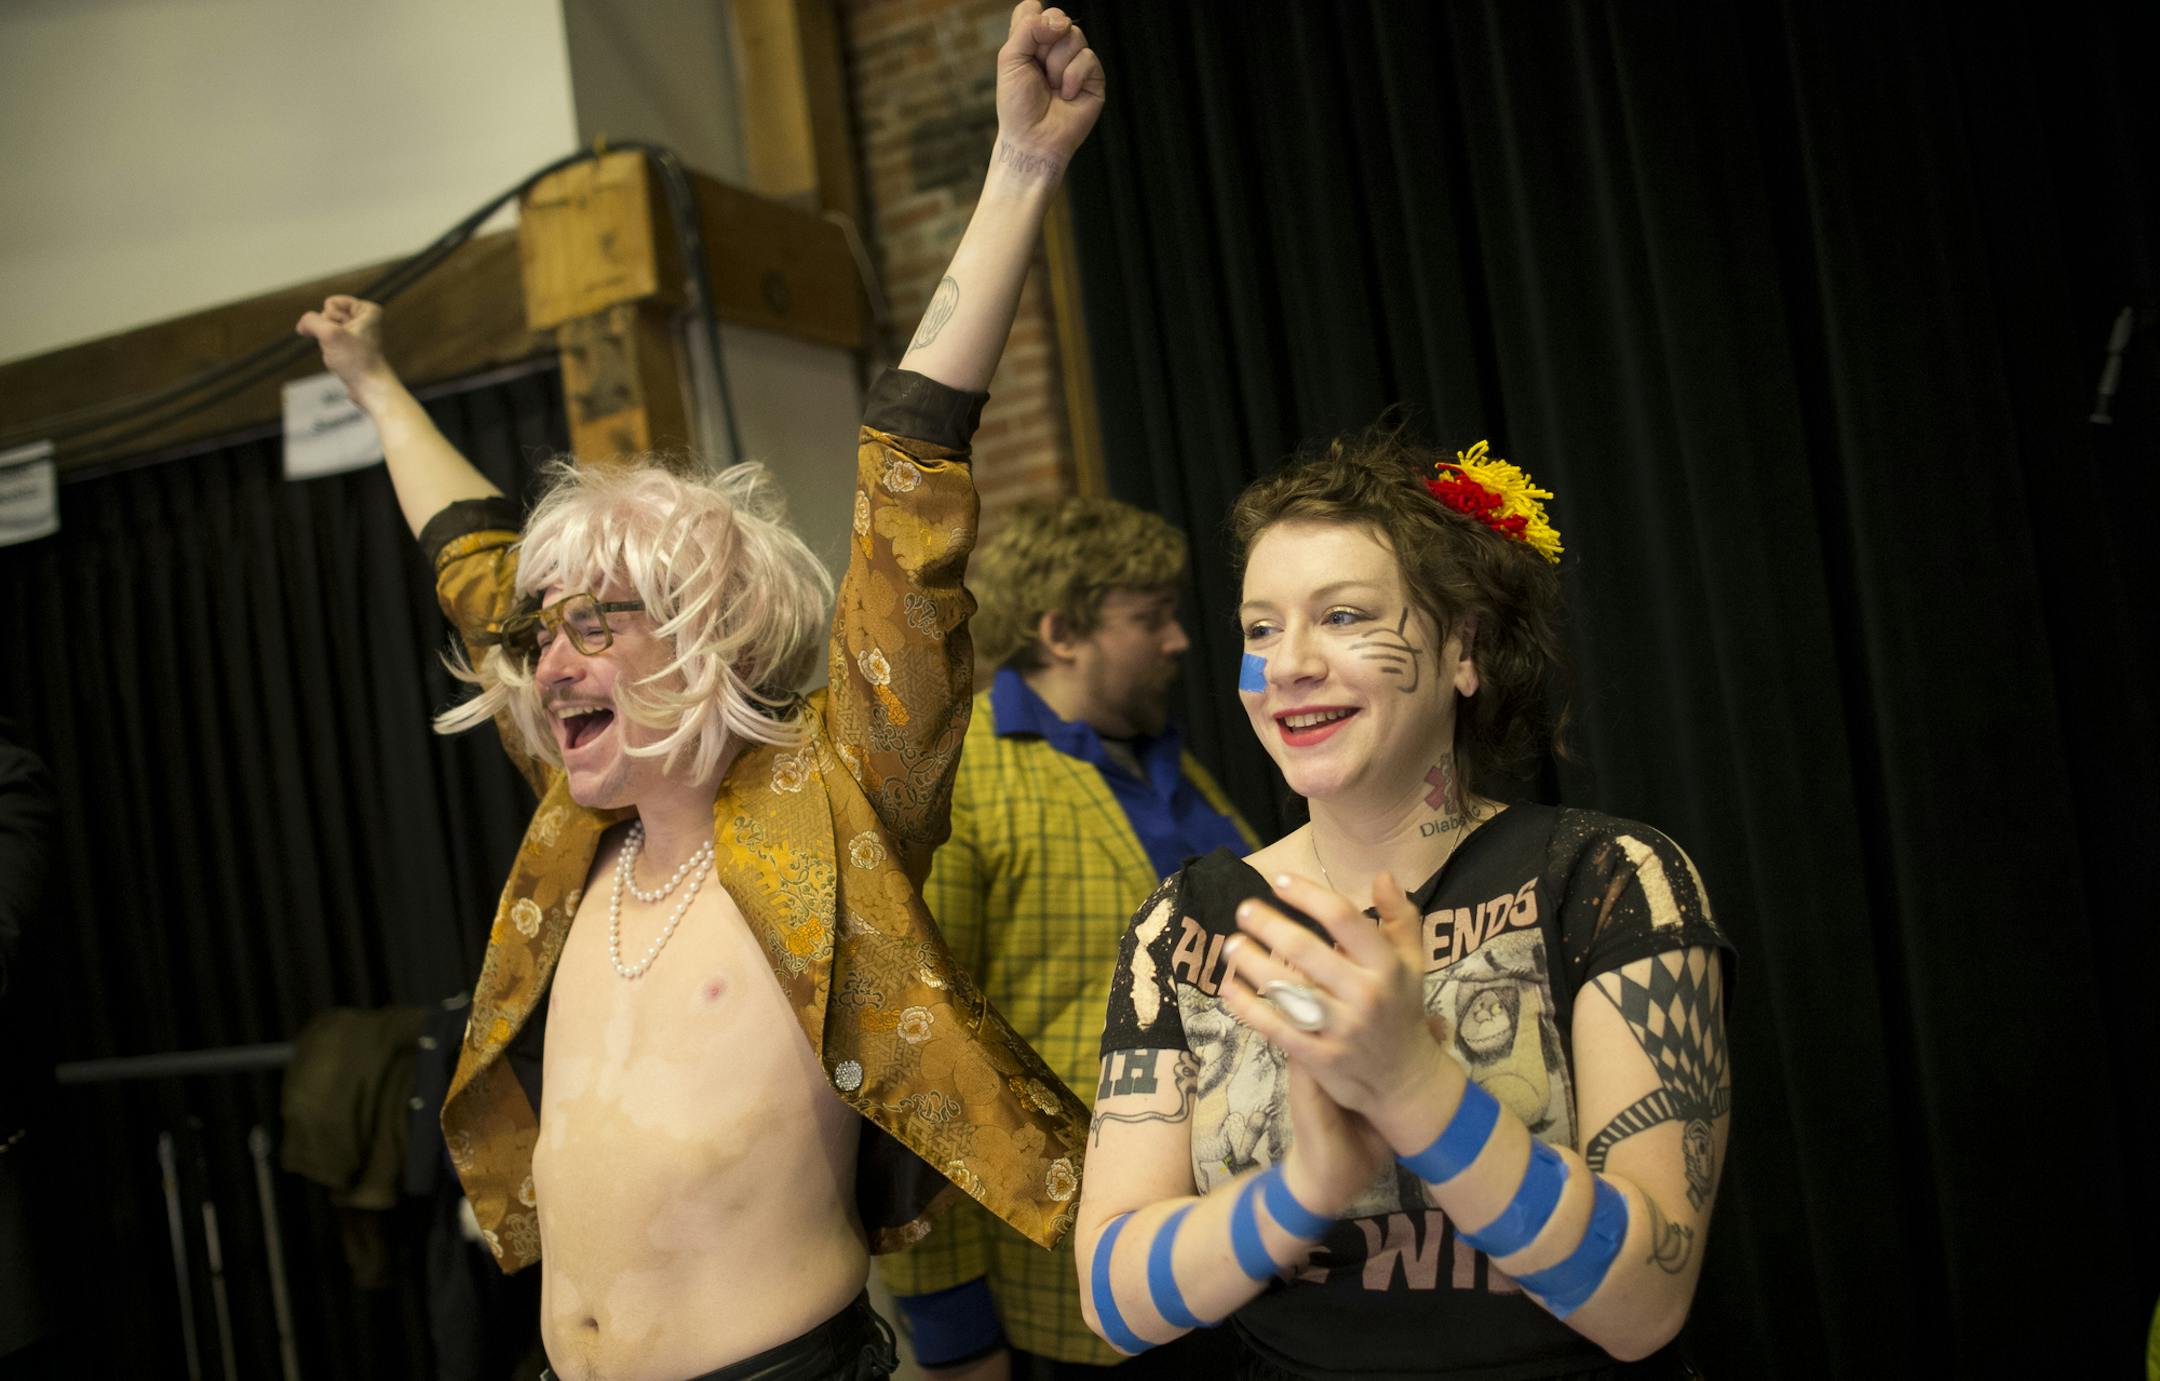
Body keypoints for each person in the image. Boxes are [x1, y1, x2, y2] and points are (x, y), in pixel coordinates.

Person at [295, 8, 1104, 1377]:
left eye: (596, 624)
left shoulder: (836, 804)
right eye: (543, 634)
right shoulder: (577, 832)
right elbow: (469, 565)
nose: (551, 657)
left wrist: (1019, 171)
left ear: (712, 642)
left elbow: (912, 474)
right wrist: (376, 395)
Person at [1074, 433, 1734, 1378]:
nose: (1288, 664)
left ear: (1463, 648)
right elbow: (1114, 1302)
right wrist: (1309, 1183)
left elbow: (1645, 1303)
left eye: (1342, 616)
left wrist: (1411, 1085)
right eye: (1260, 629)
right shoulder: (1186, 924)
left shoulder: (1607, 878)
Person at [876, 498, 1256, 1377]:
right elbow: (916, 1064)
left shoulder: (1172, 762)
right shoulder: (966, 776)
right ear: (1061, 631)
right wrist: (950, 1326)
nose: (1179, 640)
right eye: (1150, 616)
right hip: (1070, 1300)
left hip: (1238, 1254)